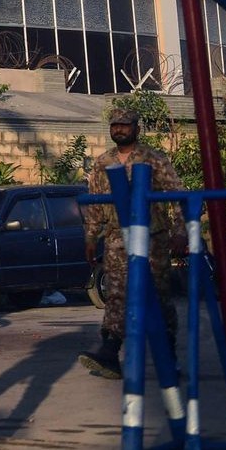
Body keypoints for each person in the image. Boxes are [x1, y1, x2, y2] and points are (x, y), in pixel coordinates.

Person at [78, 105, 188, 380]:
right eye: (115, 125)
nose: (119, 130)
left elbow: (177, 195)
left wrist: (180, 231)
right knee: (116, 294)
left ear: (136, 128)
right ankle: (110, 352)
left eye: (125, 125)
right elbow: (95, 203)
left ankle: (168, 358)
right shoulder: (103, 162)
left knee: (158, 295)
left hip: (152, 238)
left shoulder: (153, 159)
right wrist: (91, 236)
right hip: (116, 238)